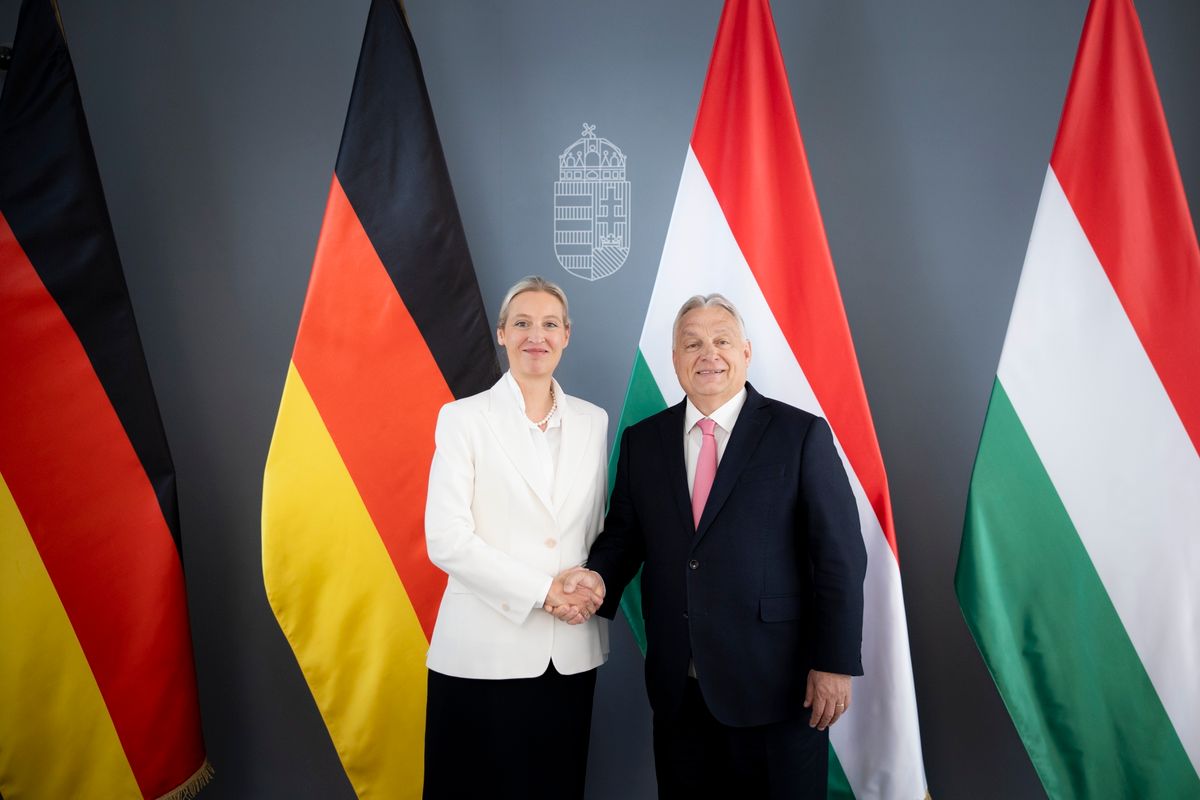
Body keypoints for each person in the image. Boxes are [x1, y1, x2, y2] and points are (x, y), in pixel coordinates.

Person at [577, 293, 867, 799]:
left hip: (778, 688)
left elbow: (839, 558)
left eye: (722, 341)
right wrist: (593, 581)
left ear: (746, 352)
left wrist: (835, 662)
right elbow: (623, 537)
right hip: (679, 694)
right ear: (675, 359)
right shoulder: (644, 441)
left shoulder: (800, 434)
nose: (708, 354)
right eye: (692, 344)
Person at [422, 276, 608, 800]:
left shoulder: (594, 421)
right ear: (502, 333)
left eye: (550, 324)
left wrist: (591, 583)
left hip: (569, 652)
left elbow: (595, 527)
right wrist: (544, 592)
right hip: (482, 652)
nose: (536, 336)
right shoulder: (462, 419)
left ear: (567, 334)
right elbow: (446, 538)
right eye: (522, 323)